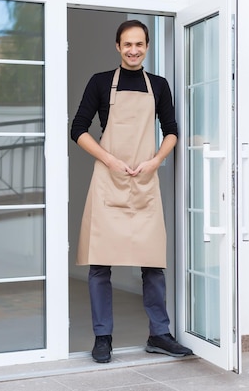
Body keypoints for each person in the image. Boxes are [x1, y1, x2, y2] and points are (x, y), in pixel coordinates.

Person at [70, 19, 193, 363]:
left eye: (140, 44)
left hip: (143, 180)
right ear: (118, 47)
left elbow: (171, 130)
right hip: (109, 180)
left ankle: (159, 334)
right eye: (128, 44)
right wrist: (108, 159)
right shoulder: (99, 83)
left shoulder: (158, 85)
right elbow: (77, 129)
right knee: (100, 264)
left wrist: (155, 161)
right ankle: (102, 337)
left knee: (152, 263)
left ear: (147, 46)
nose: (134, 50)